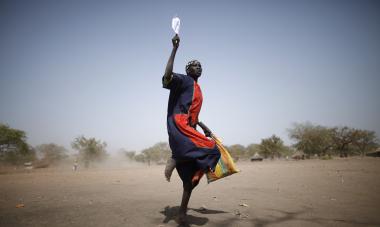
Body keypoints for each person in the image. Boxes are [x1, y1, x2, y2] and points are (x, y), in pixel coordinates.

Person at [162, 34, 221, 223]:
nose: (198, 68)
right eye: (194, 66)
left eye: (200, 66)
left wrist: (205, 127)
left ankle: (181, 214)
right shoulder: (184, 81)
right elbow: (166, 77)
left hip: (190, 127)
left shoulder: (197, 87)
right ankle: (175, 156)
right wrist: (174, 49)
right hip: (180, 125)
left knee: (190, 183)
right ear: (188, 70)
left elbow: (195, 114)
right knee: (212, 149)